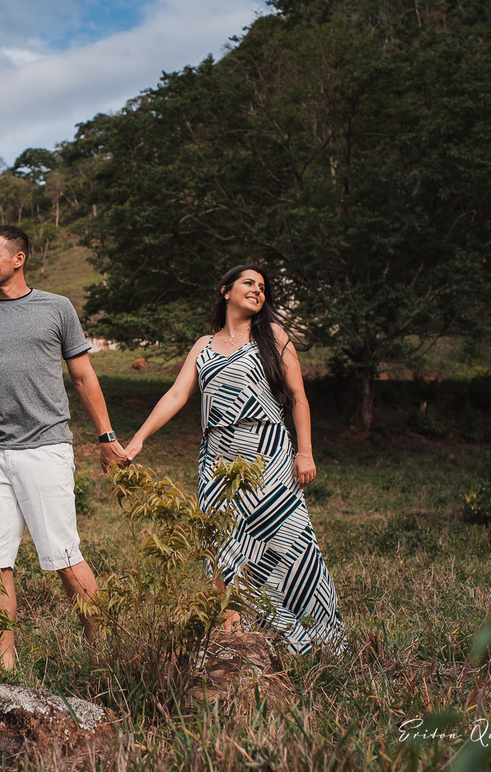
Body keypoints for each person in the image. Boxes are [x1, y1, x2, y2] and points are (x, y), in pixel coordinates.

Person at [0, 225, 128, 670]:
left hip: (45, 448)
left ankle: (106, 652)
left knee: (64, 555)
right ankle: (5, 667)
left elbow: (84, 377)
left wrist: (106, 437)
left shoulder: (56, 308)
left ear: (18, 259)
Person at [123, 264, 347, 654]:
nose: (258, 290)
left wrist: (305, 452)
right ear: (226, 290)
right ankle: (235, 638)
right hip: (217, 460)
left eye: (263, 287)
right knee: (222, 545)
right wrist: (139, 438)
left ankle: (313, 637)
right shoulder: (203, 345)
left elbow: (298, 397)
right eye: (249, 283)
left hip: (268, 453)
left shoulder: (273, 335)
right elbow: (176, 395)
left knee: (289, 542)